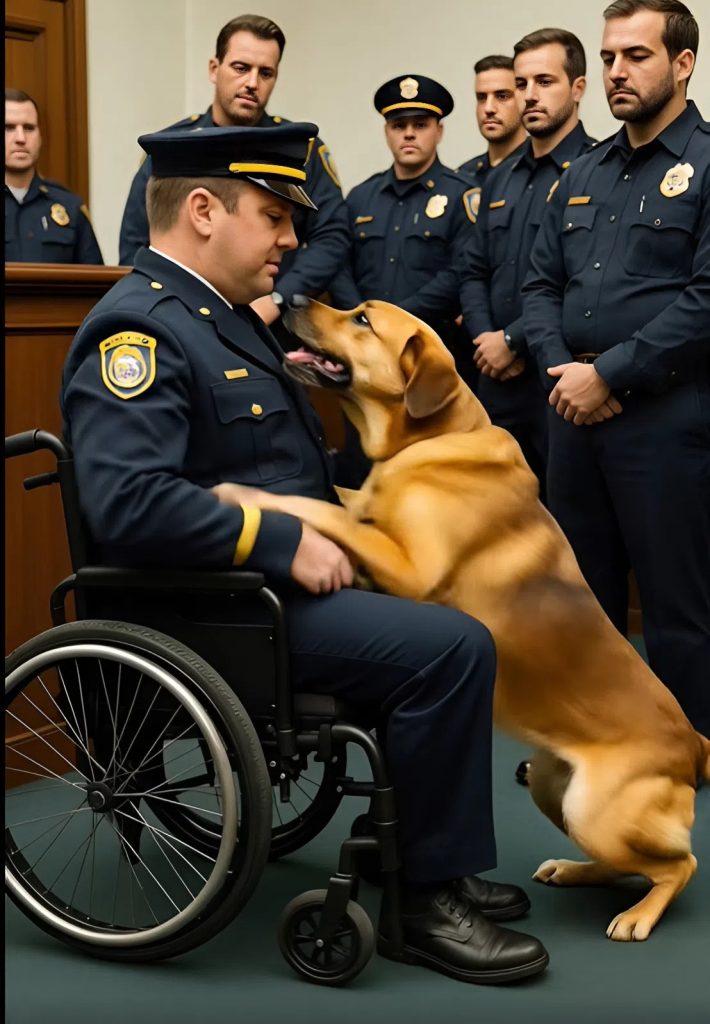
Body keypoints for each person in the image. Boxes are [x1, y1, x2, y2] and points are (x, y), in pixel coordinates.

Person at [61, 122, 549, 986]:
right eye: (275, 215)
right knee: (452, 649)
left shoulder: (221, 316)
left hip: (259, 593)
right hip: (213, 609)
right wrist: (281, 537)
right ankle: (423, 903)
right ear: (203, 210)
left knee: (446, 613)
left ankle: (423, 847)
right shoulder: (139, 330)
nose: (292, 237)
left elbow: (274, 467)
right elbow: (130, 504)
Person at [523, 0, 709, 735]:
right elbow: (539, 286)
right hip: (571, 412)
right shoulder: (584, 171)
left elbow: (705, 298)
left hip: (665, 418)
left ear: (683, 64)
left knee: (677, 608)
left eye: (636, 55)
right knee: (581, 602)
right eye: (607, 57)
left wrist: (611, 373)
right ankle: (595, 748)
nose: (616, 72)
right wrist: (562, 370)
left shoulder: (705, 164)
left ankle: (685, 754)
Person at [117, 13, 349, 344]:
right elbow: (138, 245)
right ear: (214, 69)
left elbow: (332, 237)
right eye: (241, 68)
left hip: (276, 327)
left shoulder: (301, 151)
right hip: (185, 325)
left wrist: (277, 299)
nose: (252, 82)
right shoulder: (173, 148)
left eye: (265, 73)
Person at [458, 29, 596, 495]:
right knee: (493, 507)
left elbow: (581, 278)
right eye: (521, 84)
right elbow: (473, 270)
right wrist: (485, 339)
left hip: (555, 376)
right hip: (495, 377)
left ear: (577, 88)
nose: (529, 95)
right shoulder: (500, 178)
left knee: (564, 512)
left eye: (544, 81)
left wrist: (512, 341)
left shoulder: (597, 170)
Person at [328, 74, 481, 484]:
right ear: (387, 132)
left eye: (420, 124)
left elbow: (461, 271)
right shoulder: (361, 197)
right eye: (399, 125)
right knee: (362, 474)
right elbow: (339, 265)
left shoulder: (463, 195)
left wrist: (395, 323)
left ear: (439, 131)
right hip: (366, 366)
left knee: (432, 477)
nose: (409, 134)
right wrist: (362, 321)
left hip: (427, 363)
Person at [5, 88, 103, 264]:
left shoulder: (70, 207)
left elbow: (95, 277)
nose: (20, 138)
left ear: (40, 137)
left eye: (29, 128)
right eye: (8, 128)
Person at [457, 55, 527, 215]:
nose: (488, 108)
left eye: (502, 96)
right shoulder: (465, 175)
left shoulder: (540, 170)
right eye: (481, 97)